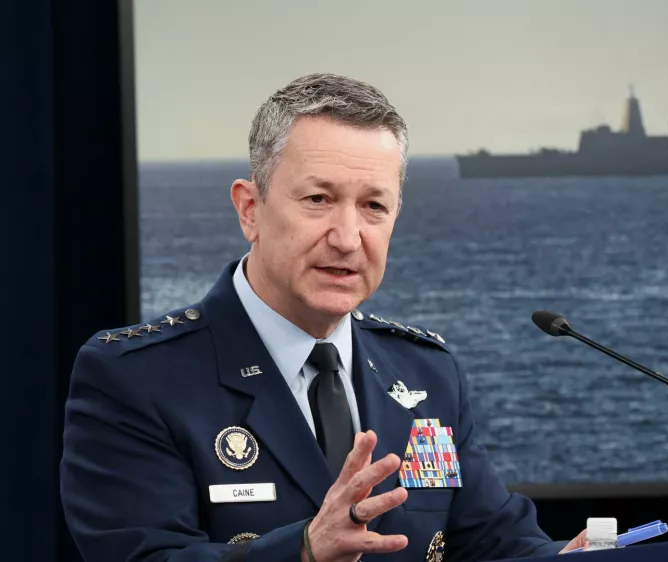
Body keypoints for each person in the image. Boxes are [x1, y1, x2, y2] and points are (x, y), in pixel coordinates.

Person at [60, 73, 587, 562]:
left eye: (373, 207)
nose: (347, 236)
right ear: (250, 209)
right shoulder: (136, 376)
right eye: (318, 199)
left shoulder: (427, 373)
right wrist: (304, 551)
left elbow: (492, 542)